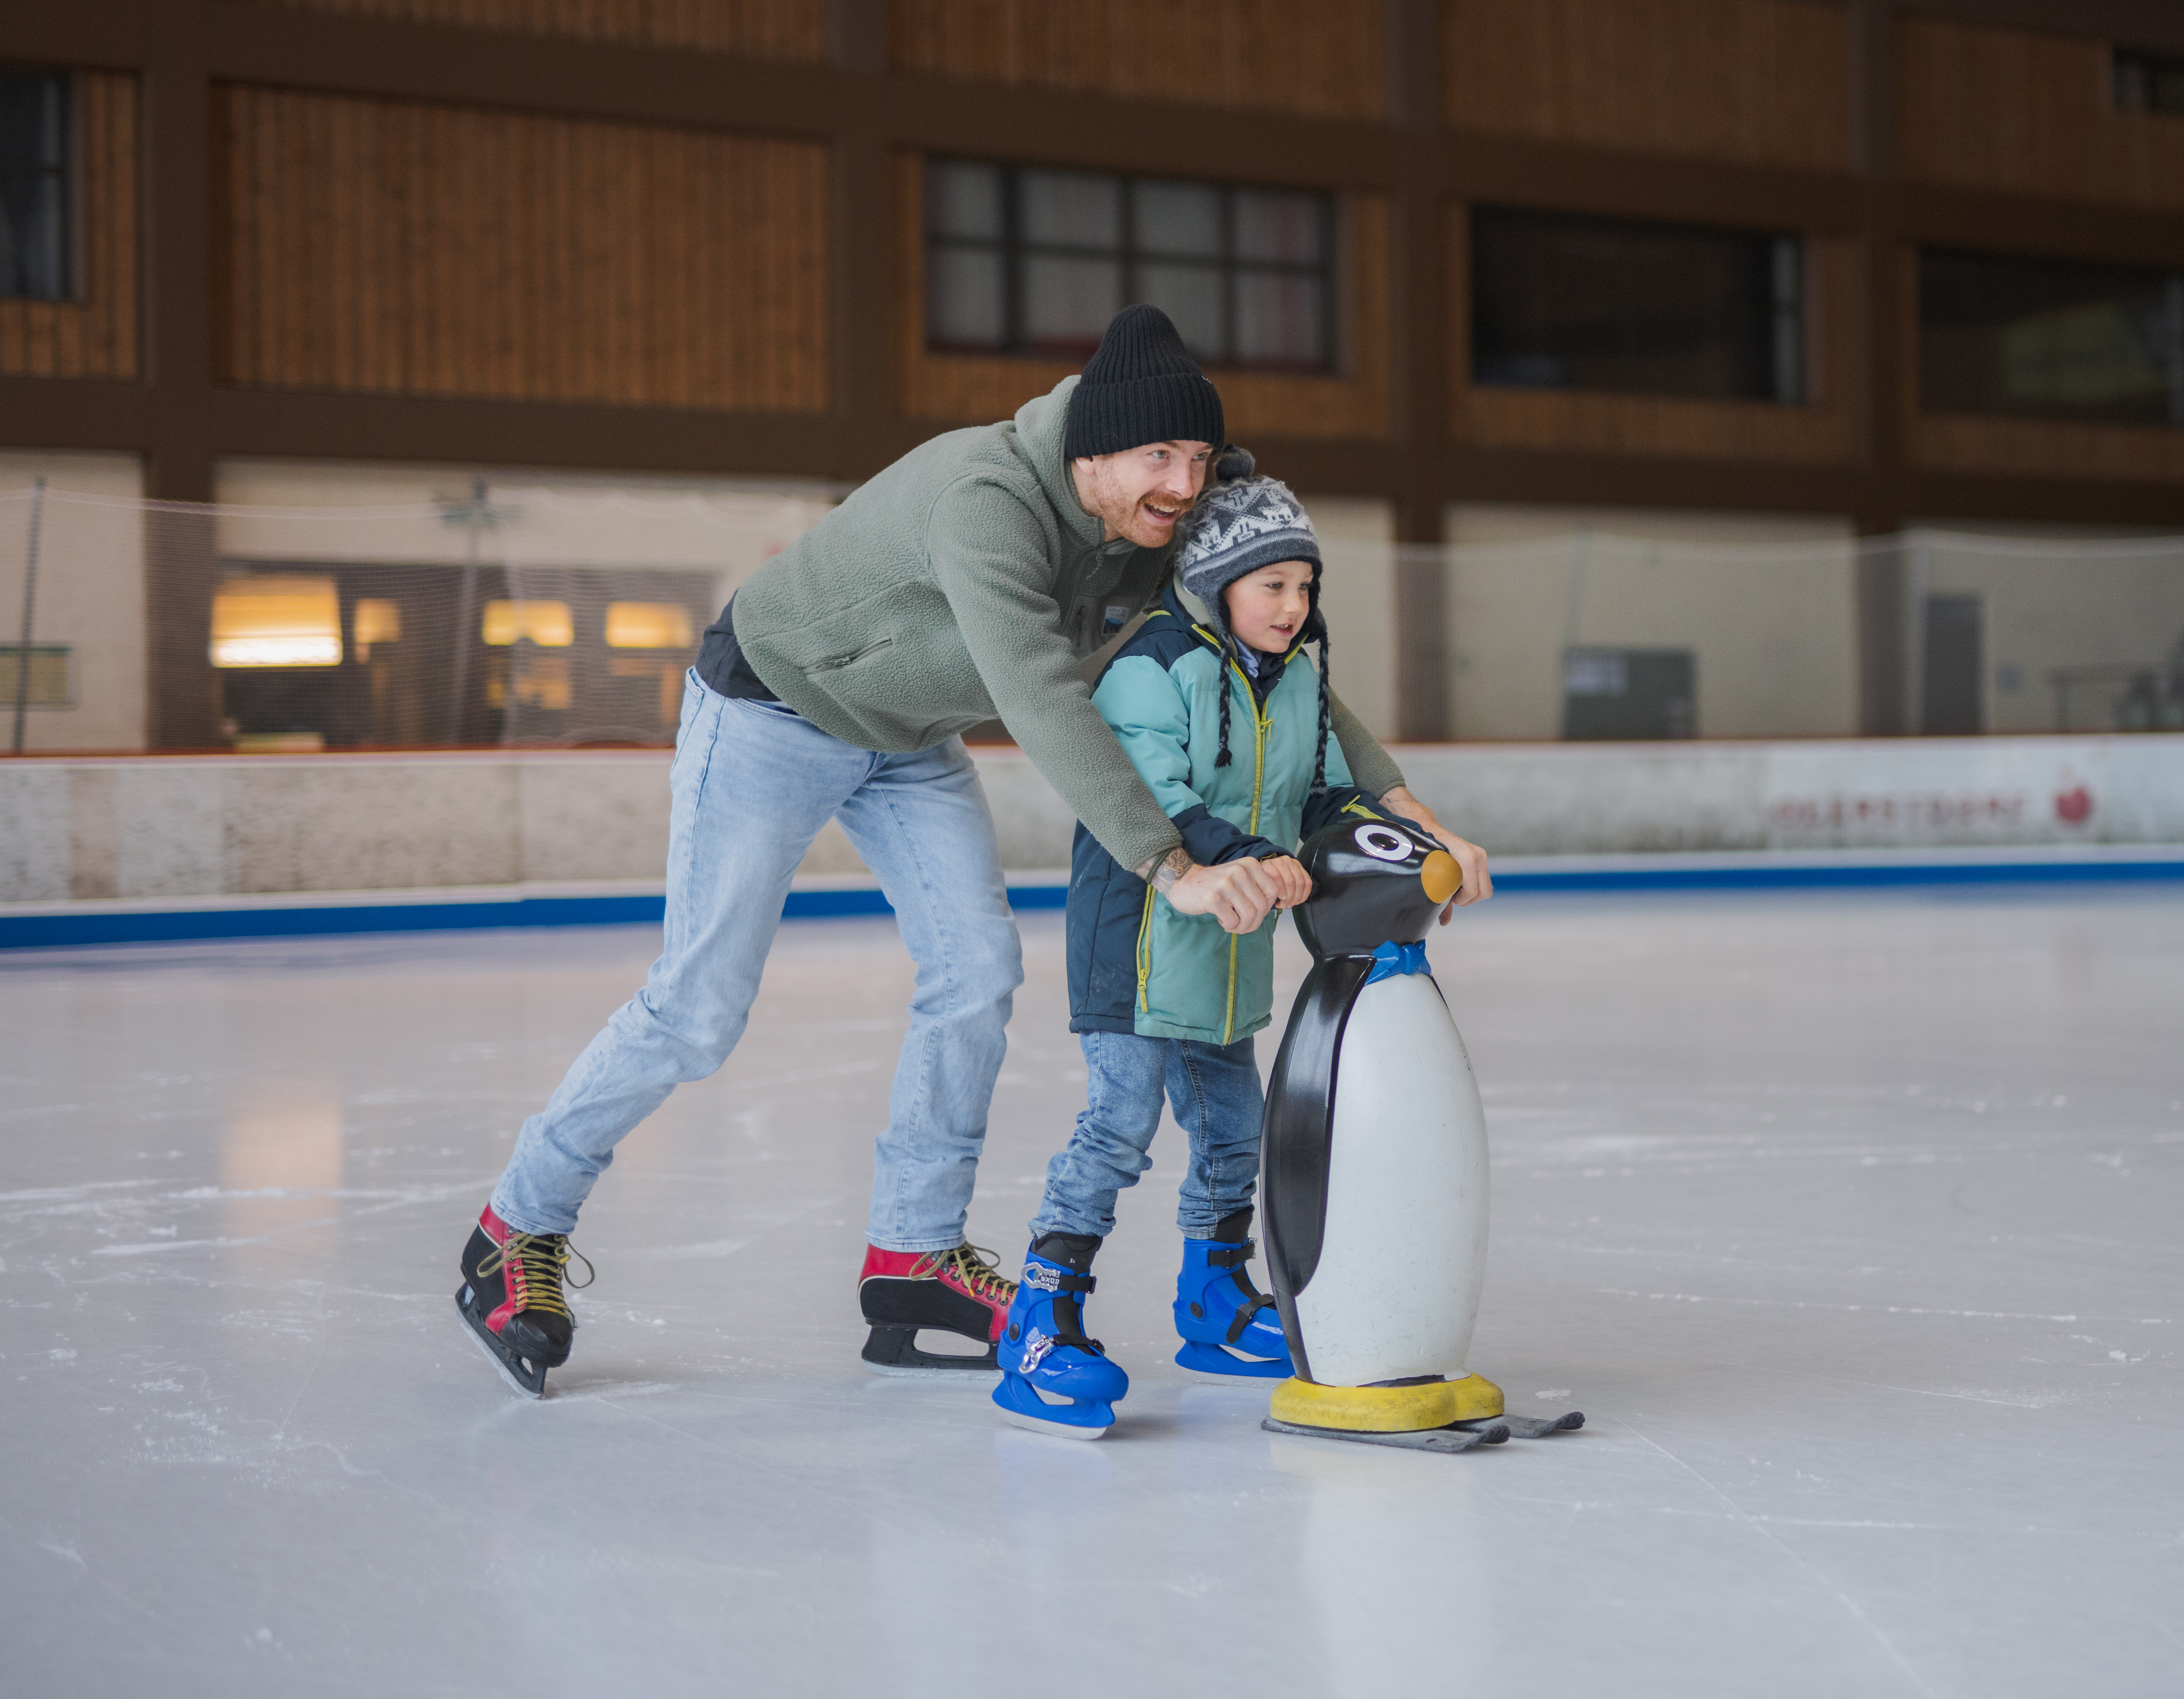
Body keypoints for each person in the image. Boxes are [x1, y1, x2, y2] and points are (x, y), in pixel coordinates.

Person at [453, 306, 1492, 1399]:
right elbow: (1041, 693)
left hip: (904, 737)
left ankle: (913, 1259)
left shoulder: (1156, 525)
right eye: (1159, 457)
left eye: (1196, 458)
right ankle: (513, 1231)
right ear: (1093, 452)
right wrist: (1171, 864)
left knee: (976, 974)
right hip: (771, 707)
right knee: (698, 1007)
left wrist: (1405, 805)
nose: (1184, 486)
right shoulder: (984, 500)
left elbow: (1277, 663)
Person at [993, 464, 1396, 1438]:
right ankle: (1041, 1322)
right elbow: (1158, 803)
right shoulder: (1154, 665)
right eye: (1274, 587)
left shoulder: (1297, 676)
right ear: (1219, 581)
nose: (1295, 608)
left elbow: (1325, 793)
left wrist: (1382, 844)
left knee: (1232, 1129)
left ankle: (1212, 1305)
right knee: (1120, 1124)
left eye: (1306, 588)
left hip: (1226, 947)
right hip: (1133, 943)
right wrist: (1253, 856)